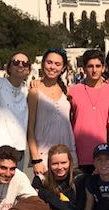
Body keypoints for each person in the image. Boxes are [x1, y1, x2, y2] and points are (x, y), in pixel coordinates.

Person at [27, 49, 76, 180]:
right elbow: (30, 128)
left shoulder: (67, 90)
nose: (52, 67)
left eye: (57, 64)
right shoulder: (34, 91)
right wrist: (35, 159)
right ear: (43, 64)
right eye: (49, 62)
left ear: (63, 67)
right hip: (44, 156)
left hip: (67, 154)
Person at [69, 50, 109, 172]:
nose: (94, 70)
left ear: (103, 68)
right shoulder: (72, 91)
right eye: (90, 66)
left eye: (98, 66)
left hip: (104, 155)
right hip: (79, 154)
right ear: (84, 68)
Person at [0, 52, 31, 169]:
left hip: (18, 151)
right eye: (16, 62)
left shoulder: (28, 90)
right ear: (9, 68)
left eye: (25, 63)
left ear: (28, 70)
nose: (20, 65)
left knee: (15, 187)